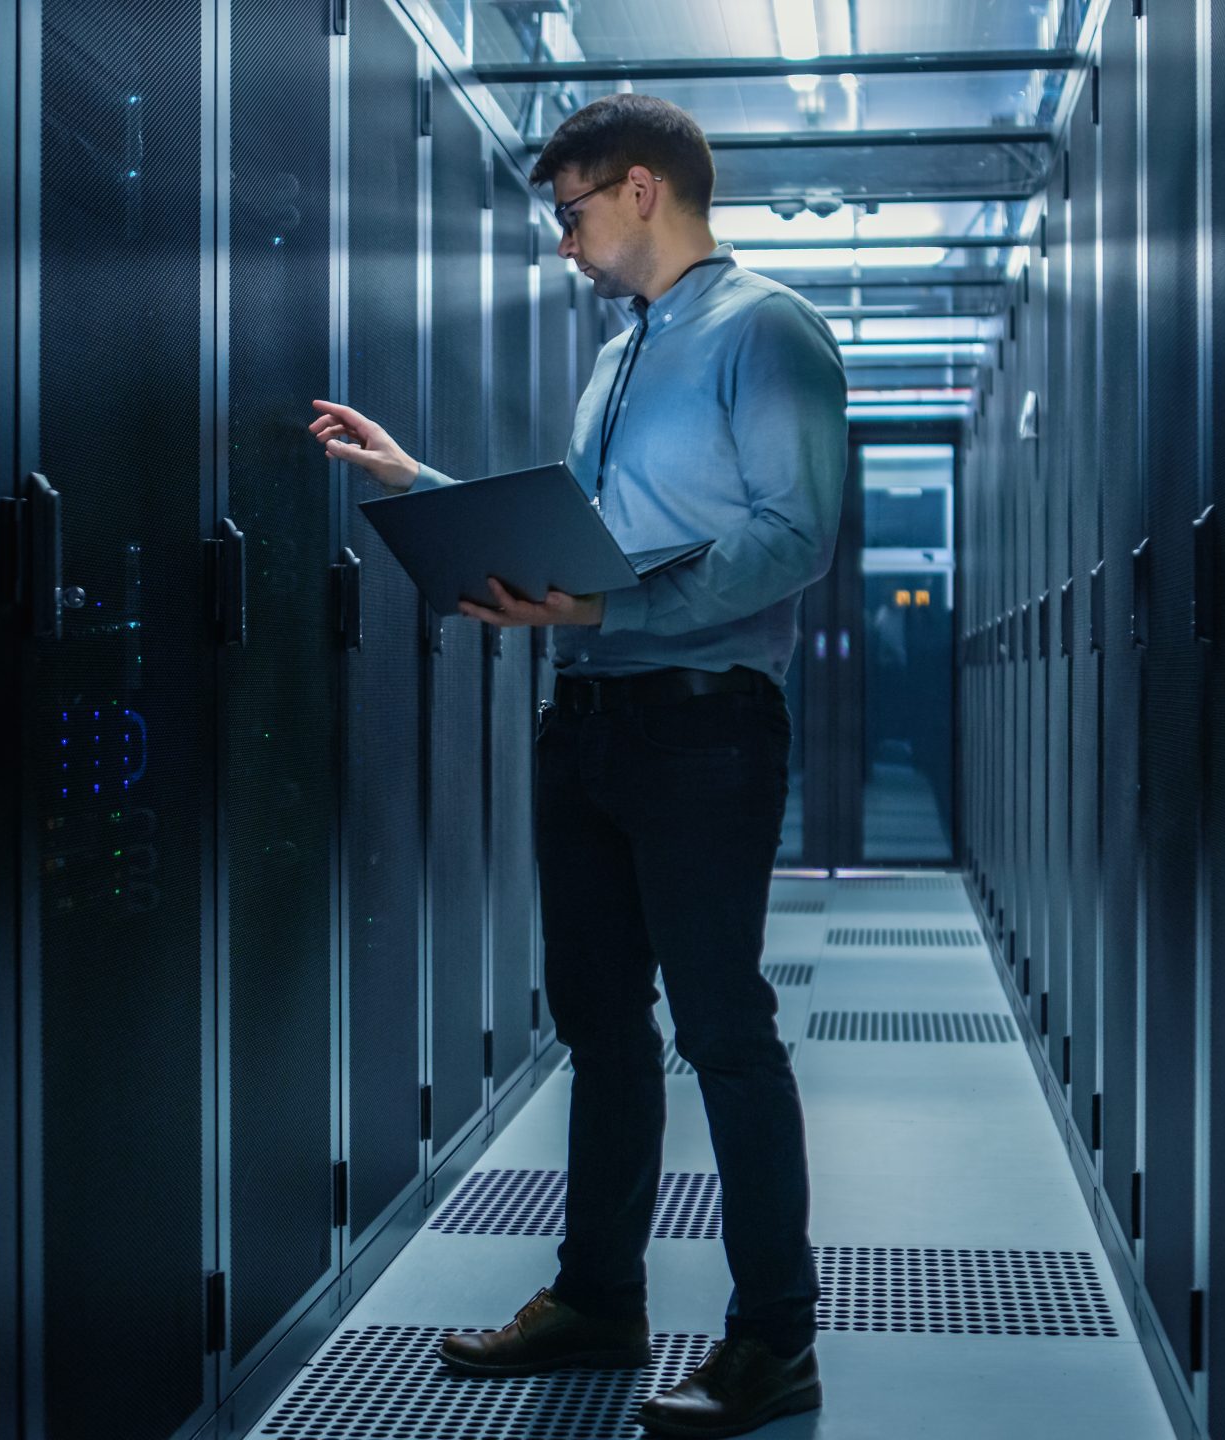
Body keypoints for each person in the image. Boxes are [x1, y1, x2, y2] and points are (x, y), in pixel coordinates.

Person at [306, 91, 845, 1440]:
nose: (564, 239)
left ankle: (775, 1339)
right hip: (591, 720)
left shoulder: (766, 329)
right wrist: (419, 484)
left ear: (646, 187)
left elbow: (797, 539)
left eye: (574, 208)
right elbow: (594, 537)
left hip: (706, 723)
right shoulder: (617, 356)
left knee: (723, 1029)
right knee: (601, 1029)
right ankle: (599, 1298)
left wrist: (612, 613)